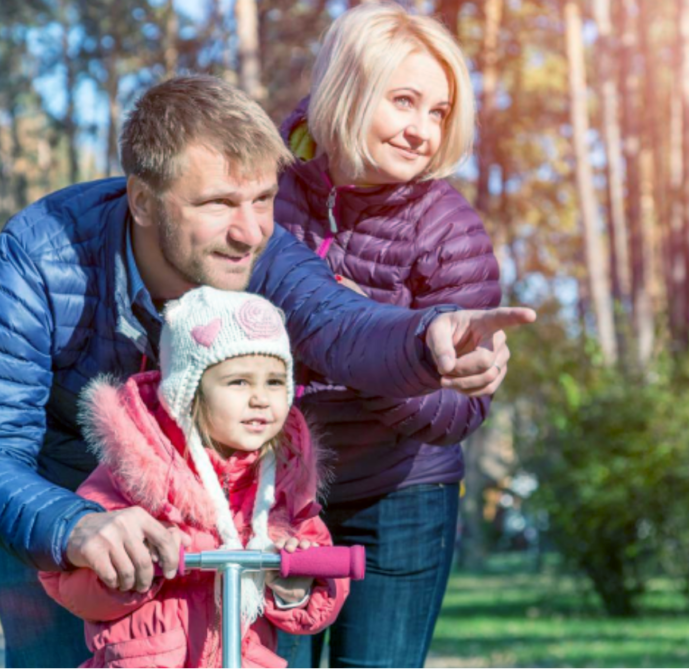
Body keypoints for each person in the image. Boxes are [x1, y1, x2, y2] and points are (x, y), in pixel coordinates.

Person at [0, 74, 534, 669]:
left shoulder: (261, 253)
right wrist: (71, 524)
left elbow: (341, 324)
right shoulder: (37, 260)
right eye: (218, 203)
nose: (250, 231)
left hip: (213, 512)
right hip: (61, 490)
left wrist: (427, 338)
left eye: (262, 199)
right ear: (142, 201)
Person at [274, 4, 500, 667]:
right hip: (277, 496)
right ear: (347, 87)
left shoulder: (451, 230)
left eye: (438, 111)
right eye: (405, 101)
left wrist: (371, 348)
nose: (422, 131)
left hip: (399, 498)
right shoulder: (265, 186)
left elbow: (461, 409)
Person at [39, 287, 344, 668]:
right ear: (189, 392)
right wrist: (133, 567)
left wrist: (293, 586)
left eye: (274, 381)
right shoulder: (136, 473)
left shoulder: (284, 484)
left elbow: (323, 570)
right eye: (239, 382)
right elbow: (69, 582)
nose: (261, 398)